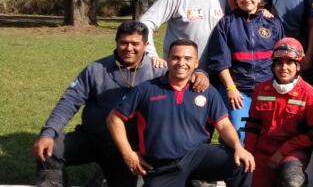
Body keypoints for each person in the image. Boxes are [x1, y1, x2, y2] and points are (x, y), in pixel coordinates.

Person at [33, 22, 206, 186]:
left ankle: (104, 178)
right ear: (116, 43)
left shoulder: (159, 72)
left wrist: (200, 74)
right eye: (123, 43)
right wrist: (49, 132)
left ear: (146, 45)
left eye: (135, 43)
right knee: (50, 150)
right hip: (93, 138)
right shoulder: (95, 69)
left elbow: (184, 72)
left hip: (131, 148)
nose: (129, 48)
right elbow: (69, 101)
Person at [107, 39, 254, 187]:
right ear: (168, 60)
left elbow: (223, 125)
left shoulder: (207, 91)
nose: (181, 63)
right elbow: (114, 119)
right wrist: (128, 153)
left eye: (188, 58)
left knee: (242, 162)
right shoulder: (146, 89)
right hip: (163, 166)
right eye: (176, 57)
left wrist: (238, 147)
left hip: (197, 156)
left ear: (196, 63)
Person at [206, 0, 285, 142]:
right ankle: (238, 166)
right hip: (239, 91)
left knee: (271, 133)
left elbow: (283, 58)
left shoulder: (273, 23)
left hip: (268, 89)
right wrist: (231, 88)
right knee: (238, 135)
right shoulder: (226, 24)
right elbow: (220, 61)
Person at [244, 38, 313, 187]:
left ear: (298, 66)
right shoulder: (261, 90)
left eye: (289, 63)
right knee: (244, 178)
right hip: (262, 152)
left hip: (292, 152)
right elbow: (253, 126)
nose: (284, 68)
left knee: (292, 180)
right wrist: (247, 153)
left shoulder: (309, 94)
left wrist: (282, 152)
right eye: (279, 63)